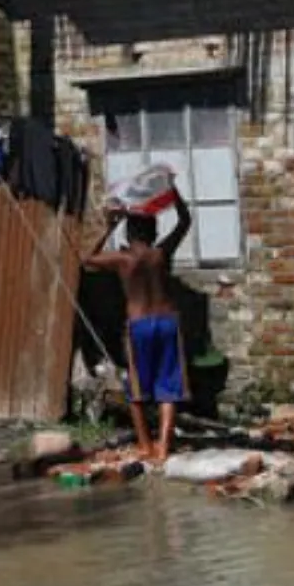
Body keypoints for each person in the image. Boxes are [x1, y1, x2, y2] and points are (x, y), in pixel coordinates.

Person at [90, 191, 192, 463]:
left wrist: (109, 226)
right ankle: (164, 447)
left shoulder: (122, 260)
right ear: (154, 230)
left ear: (128, 233)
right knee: (168, 386)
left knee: (137, 390)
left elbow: (87, 258)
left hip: (139, 325)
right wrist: (174, 193)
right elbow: (185, 221)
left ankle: (146, 445)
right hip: (168, 321)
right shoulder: (161, 253)